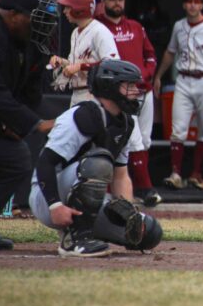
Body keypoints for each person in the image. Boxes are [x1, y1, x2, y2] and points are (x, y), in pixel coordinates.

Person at [29, 59, 163, 257]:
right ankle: (73, 241)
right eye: (130, 85)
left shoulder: (125, 123)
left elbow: (120, 176)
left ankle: (86, 233)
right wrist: (55, 205)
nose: (136, 91)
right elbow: (45, 163)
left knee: (148, 231)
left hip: (81, 189)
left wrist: (128, 213)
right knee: (98, 164)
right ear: (110, 87)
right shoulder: (81, 116)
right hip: (47, 194)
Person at [0, 0, 58, 250]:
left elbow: (28, 94)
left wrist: (15, 123)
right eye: (33, 18)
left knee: (17, 159)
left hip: (4, 116)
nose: (39, 26)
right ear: (11, 14)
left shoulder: (28, 44)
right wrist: (35, 124)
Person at [96, 0, 161, 207]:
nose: (117, 3)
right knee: (129, 140)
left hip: (144, 90)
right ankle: (144, 188)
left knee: (144, 138)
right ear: (103, 3)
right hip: (119, 94)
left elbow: (150, 55)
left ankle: (137, 188)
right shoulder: (99, 29)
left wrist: (147, 73)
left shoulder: (135, 26)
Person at [153, 0, 203, 190]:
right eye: (189, 1)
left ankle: (197, 173)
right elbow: (170, 52)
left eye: (196, 1)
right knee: (178, 129)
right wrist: (158, 75)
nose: (192, 5)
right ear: (184, 4)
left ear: (201, 4)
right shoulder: (178, 26)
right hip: (183, 80)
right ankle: (176, 173)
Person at [49, 0, 120, 106]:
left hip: (94, 94)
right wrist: (62, 62)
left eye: (68, 7)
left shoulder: (100, 31)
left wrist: (81, 66)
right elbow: (75, 65)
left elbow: (113, 65)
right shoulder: (75, 32)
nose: (65, 11)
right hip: (77, 93)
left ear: (79, 10)